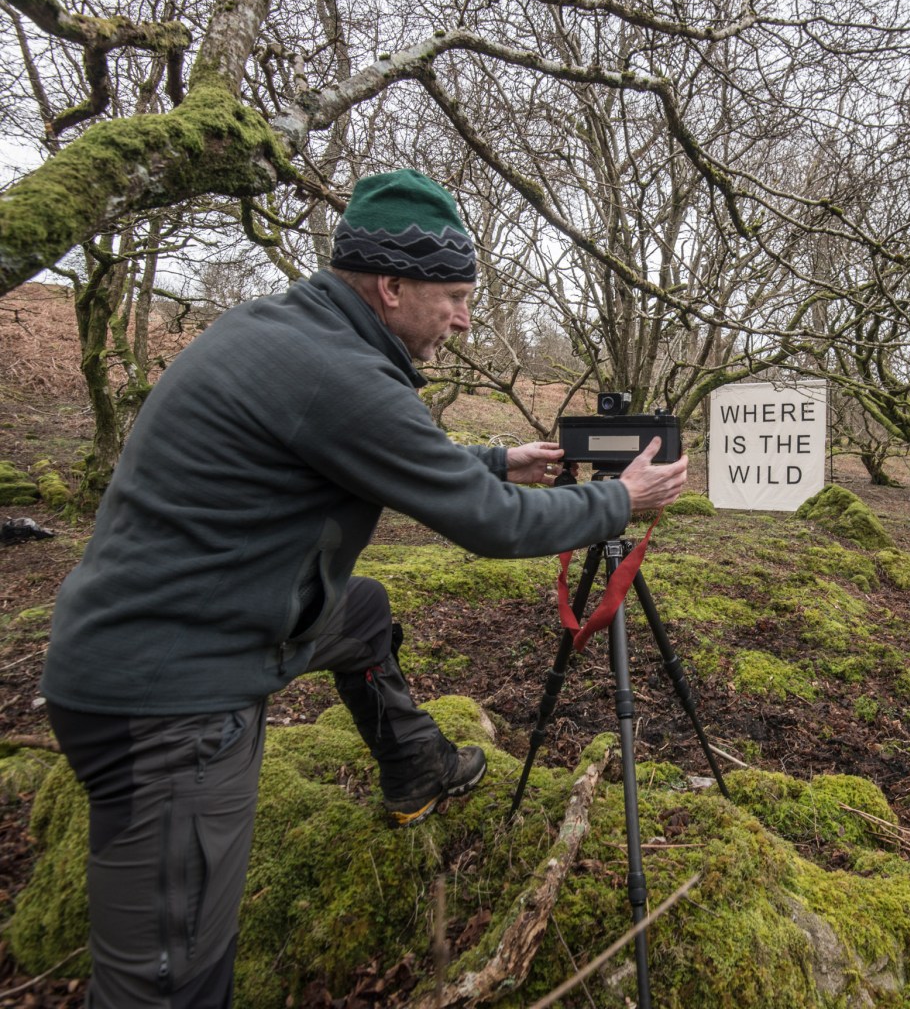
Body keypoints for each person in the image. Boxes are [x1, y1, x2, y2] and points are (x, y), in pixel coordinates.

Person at [40, 168, 689, 1007]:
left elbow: (367, 445)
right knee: (169, 977)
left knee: (362, 611)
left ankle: (415, 765)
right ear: (391, 286)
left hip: (172, 626)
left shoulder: (290, 333)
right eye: (454, 297)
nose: (463, 318)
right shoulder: (338, 373)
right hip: (169, 701)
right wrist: (620, 499)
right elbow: (492, 525)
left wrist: (499, 460)